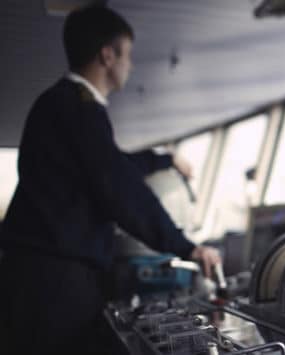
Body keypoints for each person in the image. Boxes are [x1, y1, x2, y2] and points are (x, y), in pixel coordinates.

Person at [0, 5, 220, 354]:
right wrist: (186, 247)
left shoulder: (61, 105)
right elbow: (121, 189)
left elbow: (110, 164)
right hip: (55, 281)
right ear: (107, 55)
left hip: (36, 272)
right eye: (127, 55)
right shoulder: (80, 109)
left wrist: (165, 159)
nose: (129, 65)